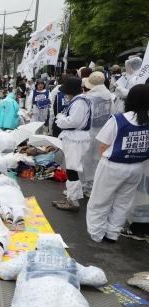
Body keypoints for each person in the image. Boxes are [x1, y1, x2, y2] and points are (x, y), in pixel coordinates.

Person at [86, 84, 149, 243]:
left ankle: (96, 233)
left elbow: (103, 145)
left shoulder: (118, 119)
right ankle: (113, 233)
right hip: (137, 166)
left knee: (100, 200)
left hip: (113, 165)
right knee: (123, 202)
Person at [53, 77, 91, 211]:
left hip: (76, 139)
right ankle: (71, 197)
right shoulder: (79, 100)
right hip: (75, 138)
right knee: (71, 169)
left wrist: (60, 119)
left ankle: (73, 201)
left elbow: (74, 122)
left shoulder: (79, 102)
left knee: (72, 169)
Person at [80, 72, 115, 196]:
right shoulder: (109, 96)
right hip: (104, 133)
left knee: (84, 160)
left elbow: (81, 117)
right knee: (97, 160)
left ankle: (82, 187)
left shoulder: (87, 97)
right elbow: (113, 114)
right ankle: (92, 187)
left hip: (88, 133)